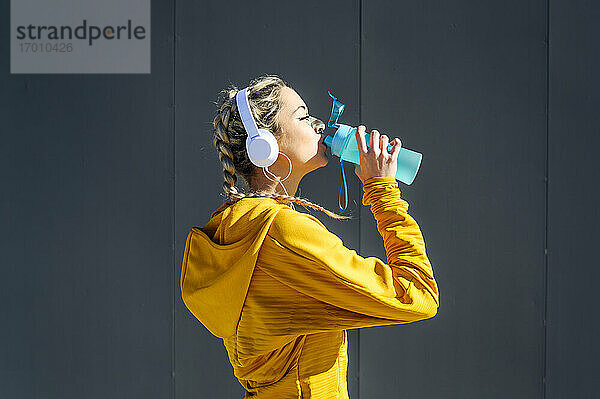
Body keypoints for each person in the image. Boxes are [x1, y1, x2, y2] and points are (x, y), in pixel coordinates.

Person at [180, 75, 440, 398]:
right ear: (266, 146)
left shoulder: (230, 233)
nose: (318, 124)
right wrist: (383, 191)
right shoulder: (283, 233)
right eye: (302, 116)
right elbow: (416, 294)